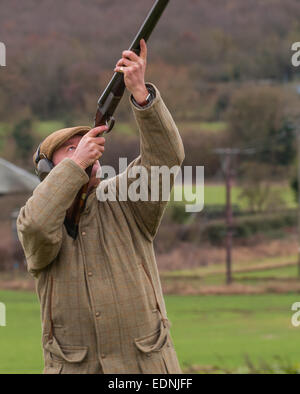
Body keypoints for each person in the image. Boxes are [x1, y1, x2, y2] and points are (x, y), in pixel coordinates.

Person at [17, 39, 185, 374]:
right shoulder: (40, 218)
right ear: (49, 171)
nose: (83, 150)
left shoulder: (123, 198)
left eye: (85, 145)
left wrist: (140, 94)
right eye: (68, 149)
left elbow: (166, 159)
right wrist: (75, 166)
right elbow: (35, 226)